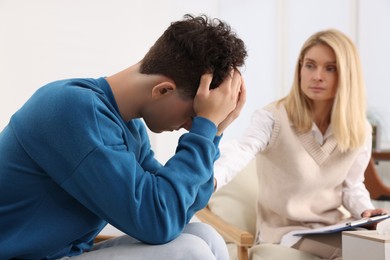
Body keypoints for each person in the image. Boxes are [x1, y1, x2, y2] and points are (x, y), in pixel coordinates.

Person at [0, 14, 247, 260]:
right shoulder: (75, 110)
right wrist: (203, 133)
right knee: (189, 252)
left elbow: (180, 206)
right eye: (194, 115)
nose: (188, 127)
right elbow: (158, 221)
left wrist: (213, 131)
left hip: (64, 254)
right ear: (163, 90)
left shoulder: (130, 129)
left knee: (205, 236)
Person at [214, 29, 387, 259]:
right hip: (285, 234)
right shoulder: (272, 118)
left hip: (334, 228)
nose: (317, 76)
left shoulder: (359, 129)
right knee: (367, 253)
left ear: (347, 75)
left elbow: (351, 186)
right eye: (310, 65)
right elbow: (242, 149)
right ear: (299, 69)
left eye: (330, 68)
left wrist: (365, 211)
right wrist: (210, 180)